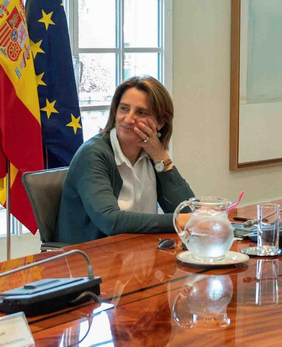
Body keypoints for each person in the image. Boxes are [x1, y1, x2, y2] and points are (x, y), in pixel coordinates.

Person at [56, 75, 196, 244]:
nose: (128, 119)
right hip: (91, 255)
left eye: (141, 112)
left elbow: (188, 211)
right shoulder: (92, 154)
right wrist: (177, 221)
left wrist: (161, 156)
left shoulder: (152, 155)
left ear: (160, 123)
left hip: (139, 251)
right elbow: (110, 221)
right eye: (123, 109)